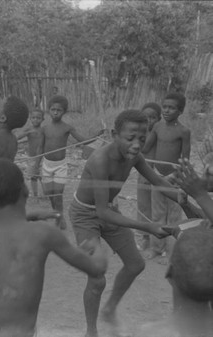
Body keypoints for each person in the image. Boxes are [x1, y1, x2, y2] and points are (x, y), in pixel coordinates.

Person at [69, 109, 184, 337]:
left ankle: (109, 308)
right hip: (86, 215)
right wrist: (147, 227)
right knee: (97, 277)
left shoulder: (135, 157)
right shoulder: (100, 160)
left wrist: (187, 200)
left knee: (135, 265)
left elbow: (158, 181)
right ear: (114, 134)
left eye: (142, 139)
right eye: (130, 138)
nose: (137, 144)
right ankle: (90, 331)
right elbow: (101, 212)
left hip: (110, 210)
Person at [0, 159, 107, 337]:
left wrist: (30, 216)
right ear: (25, 190)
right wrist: (96, 248)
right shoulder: (44, 234)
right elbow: (96, 269)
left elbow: (6, 225)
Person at [142, 93, 190, 262]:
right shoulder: (157, 127)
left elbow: (185, 160)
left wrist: (173, 176)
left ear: (180, 111)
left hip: (175, 179)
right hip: (157, 176)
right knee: (158, 214)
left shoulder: (184, 131)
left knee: (174, 218)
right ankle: (156, 248)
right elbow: (146, 147)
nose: (167, 110)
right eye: (165, 107)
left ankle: (171, 253)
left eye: (172, 108)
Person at [42, 95, 103, 230]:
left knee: (57, 195)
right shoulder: (45, 128)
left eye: (59, 110)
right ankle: (56, 213)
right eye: (53, 109)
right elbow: (39, 147)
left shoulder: (67, 128)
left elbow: (82, 141)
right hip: (46, 165)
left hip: (60, 166)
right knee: (50, 195)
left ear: (64, 112)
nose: (56, 112)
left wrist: (96, 136)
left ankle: (60, 217)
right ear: (48, 110)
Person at [136, 102, 161, 251]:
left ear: (159, 119)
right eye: (146, 117)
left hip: (158, 175)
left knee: (158, 208)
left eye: (153, 117)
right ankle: (145, 238)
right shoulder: (139, 134)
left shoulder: (161, 133)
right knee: (144, 206)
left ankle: (158, 242)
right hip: (143, 174)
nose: (149, 120)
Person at [16, 109, 45, 198]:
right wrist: (28, 132)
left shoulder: (43, 130)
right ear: (30, 119)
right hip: (32, 157)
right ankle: (35, 194)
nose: (35, 120)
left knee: (43, 177)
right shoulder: (29, 129)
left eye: (38, 118)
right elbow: (18, 136)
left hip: (43, 158)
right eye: (33, 118)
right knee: (33, 176)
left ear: (42, 119)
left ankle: (46, 194)